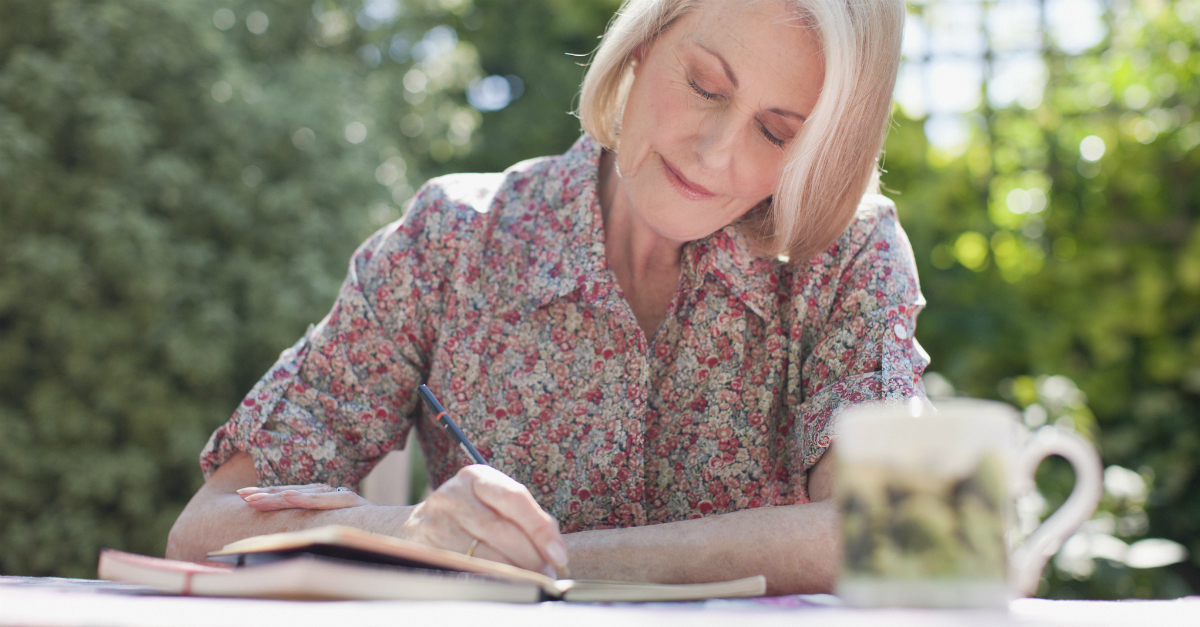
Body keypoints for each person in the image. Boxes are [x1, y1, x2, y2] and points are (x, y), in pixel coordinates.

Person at [167, 0, 924, 595]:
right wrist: (404, 532)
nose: (716, 151)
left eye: (777, 131)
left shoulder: (847, 257)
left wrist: (556, 559)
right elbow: (207, 527)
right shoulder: (453, 242)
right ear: (640, 46)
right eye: (705, 85)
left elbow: (887, 533)